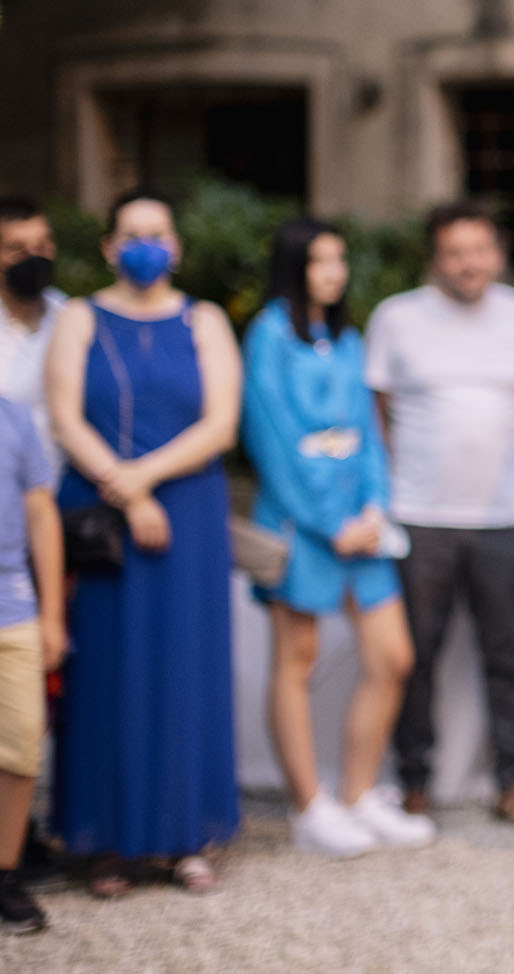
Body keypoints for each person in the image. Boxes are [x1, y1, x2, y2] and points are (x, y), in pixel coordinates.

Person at [44, 190, 241, 896]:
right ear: (108, 248)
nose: (145, 245)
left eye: (157, 233)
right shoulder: (79, 317)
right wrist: (125, 492)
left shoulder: (206, 321)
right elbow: (64, 417)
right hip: (100, 512)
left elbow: (221, 425)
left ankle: (184, 835)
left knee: (185, 667)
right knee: (104, 669)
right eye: (131, 234)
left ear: (176, 246)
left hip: (187, 511)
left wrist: (144, 480)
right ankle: (105, 838)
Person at [366, 201, 514, 827]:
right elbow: (376, 415)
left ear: (498, 254)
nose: (468, 264)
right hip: (418, 514)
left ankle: (512, 781)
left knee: (506, 654)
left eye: (479, 250)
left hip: (504, 515)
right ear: (435, 260)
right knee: (415, 655)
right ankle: (414, 782)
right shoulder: (396, 318)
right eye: (454, 253)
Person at [243, 218, 431, 858]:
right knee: (297, 660)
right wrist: (331, 522)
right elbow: (271, 440)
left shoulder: (347, 338)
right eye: (319, 261)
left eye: (339, 260)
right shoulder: (269, 335)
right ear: (293, 267)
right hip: (302, 524)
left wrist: (376, 508)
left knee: (392, 657)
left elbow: (370, 432)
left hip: (363, 525)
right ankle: (309, 808)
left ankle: (357, 794)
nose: (334, 273)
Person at [0, 397, 61, 934]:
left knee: (22, 748)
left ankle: (5, 872)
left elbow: (41, 514)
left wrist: (53, 616)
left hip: (13, 609)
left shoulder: (14, 418)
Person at [0, 198, 67, 473]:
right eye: (18, 250)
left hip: (68, 481)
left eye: (41, 247)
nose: (33, 258)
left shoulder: (70, 317)